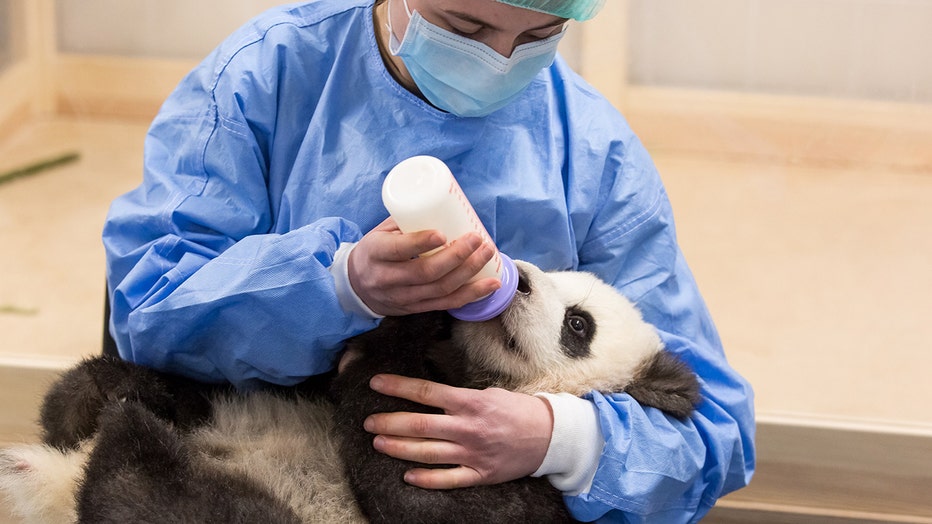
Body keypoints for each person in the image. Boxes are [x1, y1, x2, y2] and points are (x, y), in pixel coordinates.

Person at [102, 0, 755, 521]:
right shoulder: (262, 77)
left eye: (538, 37)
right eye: (466, 26)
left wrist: (561, 437)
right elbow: (150, 308)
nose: (499, 61)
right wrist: (339, 285)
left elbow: (711, 430)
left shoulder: (593, 151)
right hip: (246, 466)